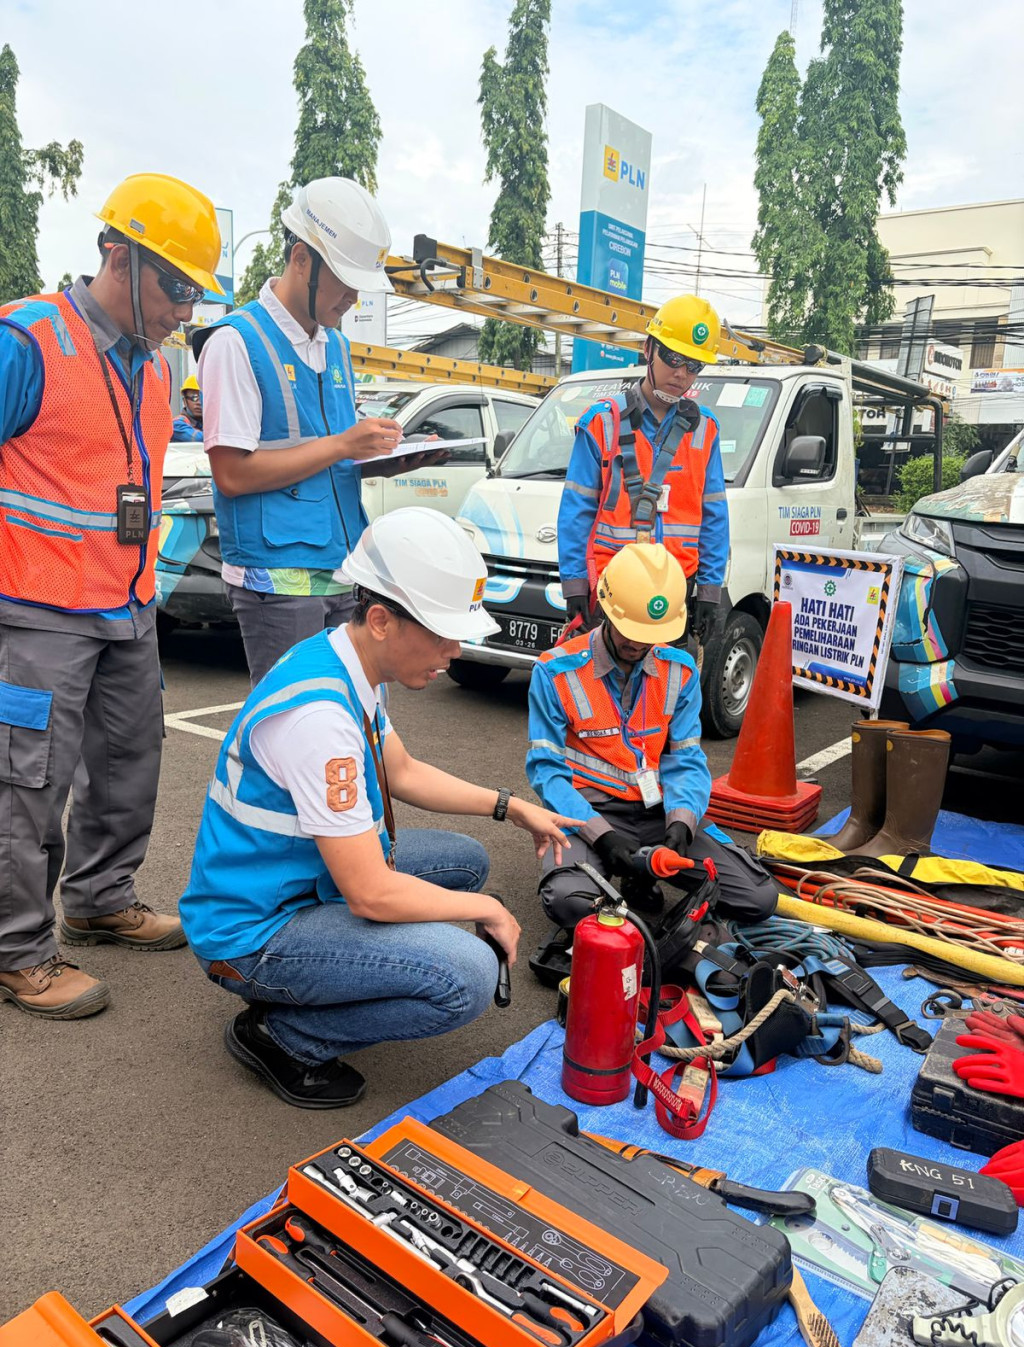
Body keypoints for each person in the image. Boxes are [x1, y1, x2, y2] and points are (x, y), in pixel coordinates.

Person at [179, 507, 580, 1109]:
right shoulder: (319, 719)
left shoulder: (351, 659)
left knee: (463, 860)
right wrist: (485, 910)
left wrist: (511, 806)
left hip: (296, 879)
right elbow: (369, 893)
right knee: (466, 975)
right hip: (251, 932)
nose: (456, 650)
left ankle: (328, 981)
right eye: (443, 633)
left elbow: (403, 771)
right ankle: (285, 1034)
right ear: (381, 619)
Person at [0, 174, 223, 1019]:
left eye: (193, 292)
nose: (183, 309)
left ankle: (98, 899)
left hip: (127, 606)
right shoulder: (29, 340)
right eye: (175, 287)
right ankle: (17, 949)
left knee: (130, 764)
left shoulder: (158, 369)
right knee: (27, 783)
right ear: (116, 254)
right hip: (35, 608)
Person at [196, 176, 446, 687]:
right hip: (278, 581)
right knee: (295, 734)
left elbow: (332, 456)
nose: (353, 298)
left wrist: (386, 458)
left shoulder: (333, 347)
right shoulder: (235, 342)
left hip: (343, 568)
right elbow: (231, 474)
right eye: (345, 281)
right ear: (301, 260)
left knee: (351, 725)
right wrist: (343, 444)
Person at [527, 542, 776, 928]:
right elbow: (546, 771)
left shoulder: (680, 672)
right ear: (606, 609)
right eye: (629, 631)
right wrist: (602, 835)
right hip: (588, 812)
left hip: (658, 812)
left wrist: (681, 822)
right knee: (568, 899)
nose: (638, 644)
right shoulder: (555, 673)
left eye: (650, 634)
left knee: (758, 897)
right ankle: (627, 876)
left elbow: (686, 760)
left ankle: (639, 873)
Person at [557, 294, 730, 652]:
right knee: (603, 698)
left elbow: (714, 516)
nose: (681, 373)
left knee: (666, 698)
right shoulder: (602, 423)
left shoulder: (705, 430)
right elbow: (577, 509)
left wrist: (710, 592)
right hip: (612, 595)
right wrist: (574, 582)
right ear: (648, 349)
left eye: (694, 365)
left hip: (673, 593)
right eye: (673, 358)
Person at [172, 374, 203, 442]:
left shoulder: (207, 423)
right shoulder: (177, 424)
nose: (199, 402)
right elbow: (199, 438)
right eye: (194, 397)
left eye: (202, 398)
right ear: (185, 401)